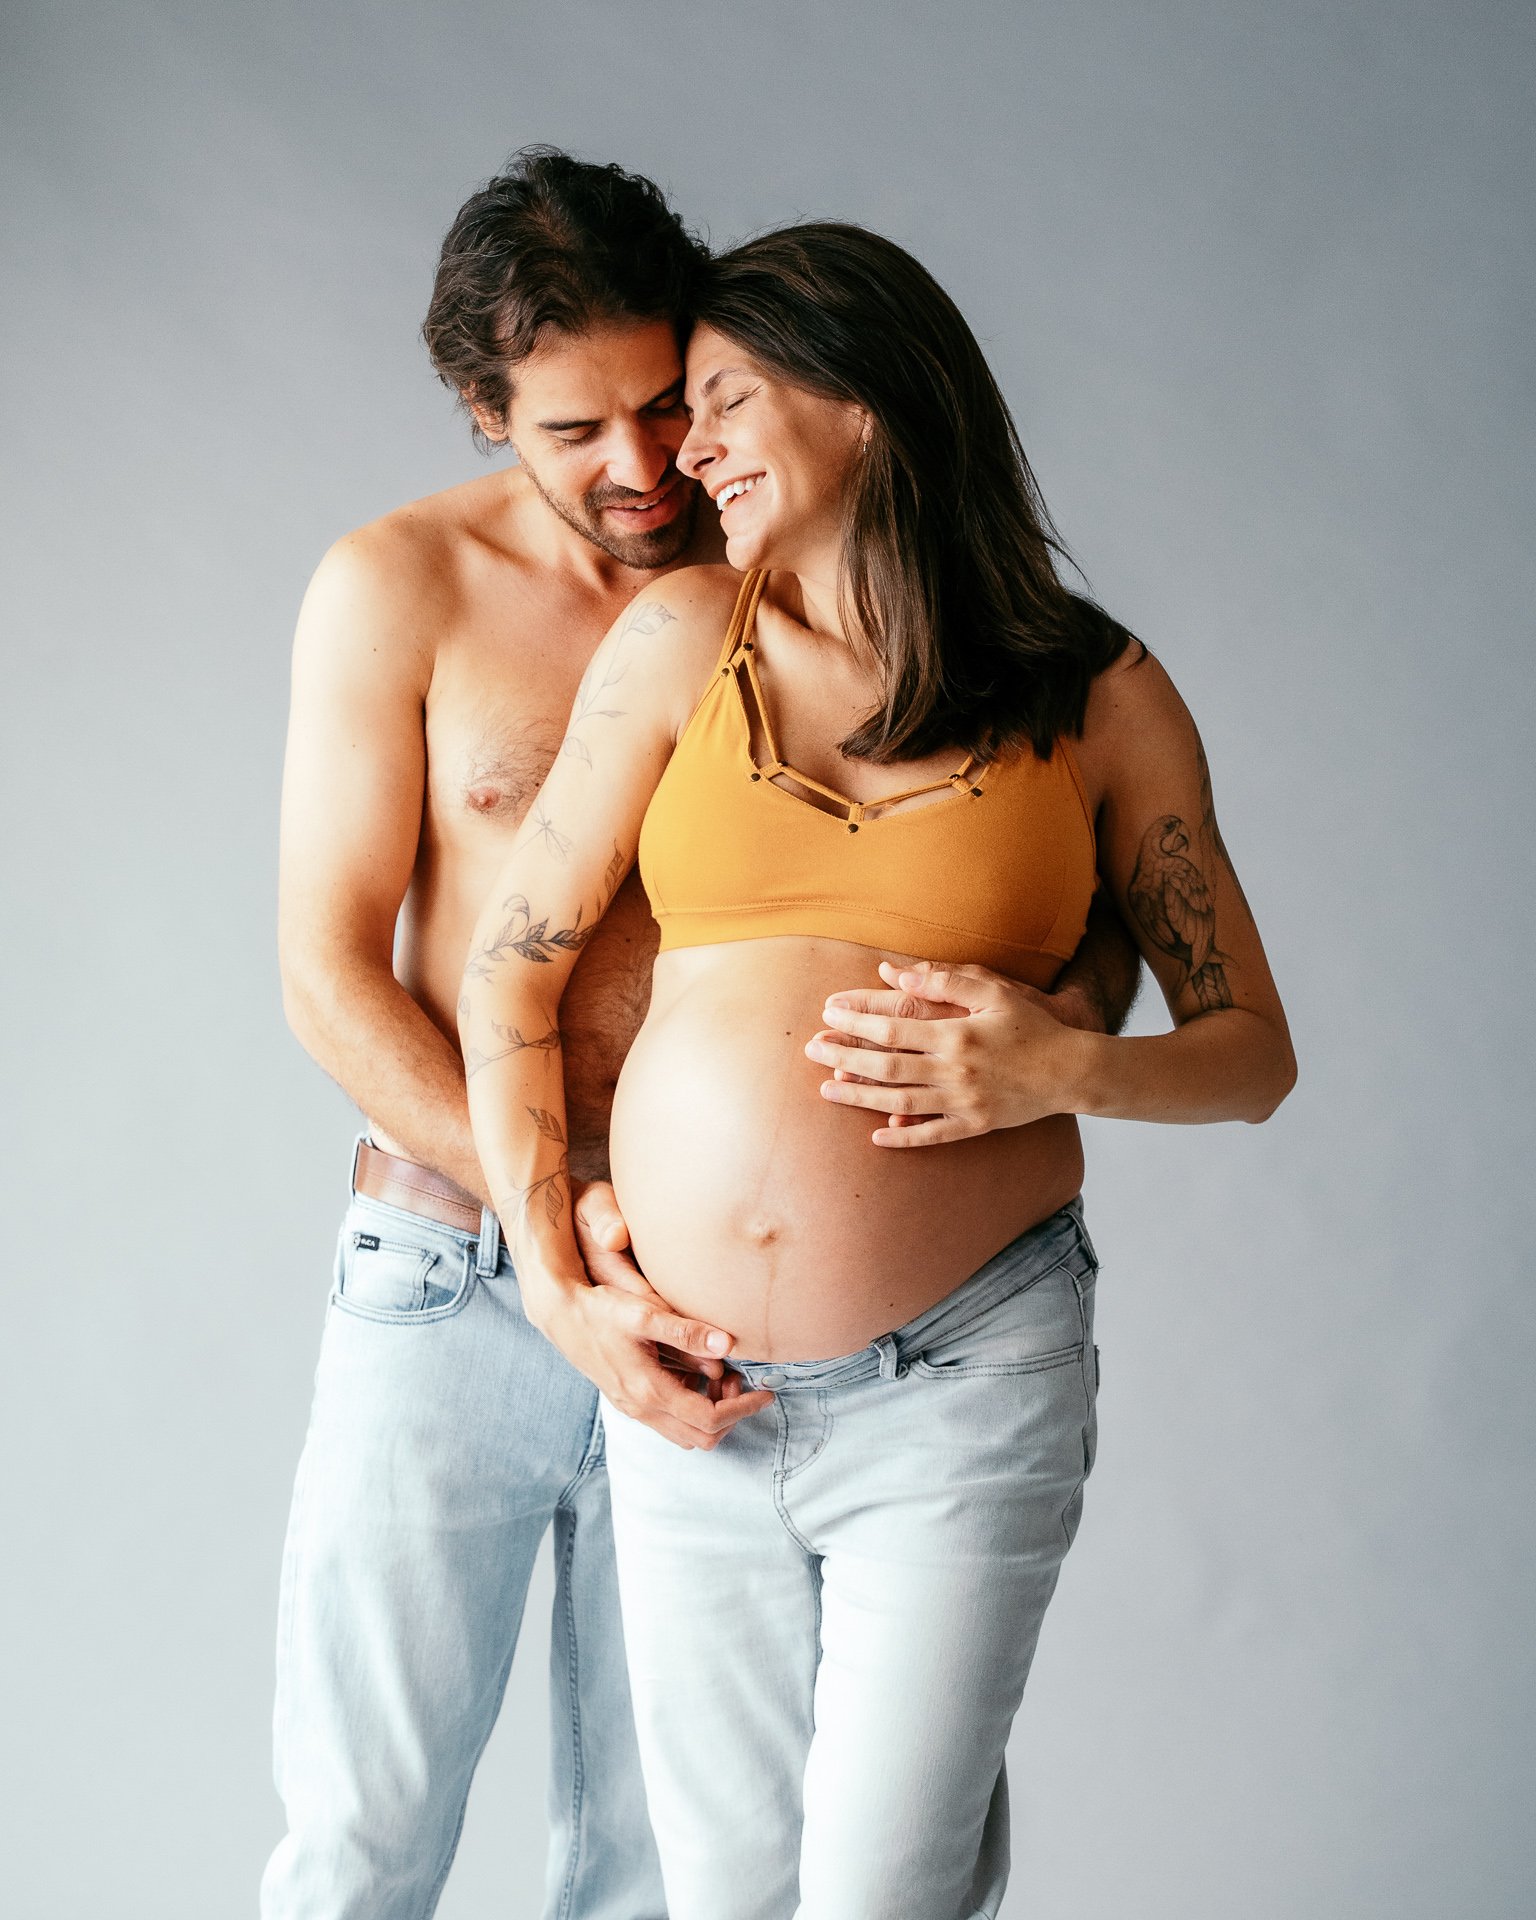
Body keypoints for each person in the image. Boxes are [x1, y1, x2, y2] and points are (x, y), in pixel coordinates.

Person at [265, 152, 1139, 1919]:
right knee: (367, 1830)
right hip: (467, 1265)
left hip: (763, 1324)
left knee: (671, 1872)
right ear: (482, 410)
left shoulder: (800, 570)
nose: (644, 467)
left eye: (671, 405)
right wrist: (554, 1212)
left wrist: (1047, 1037)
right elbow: (329, 975)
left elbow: (1044, 870)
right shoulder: (400, 587)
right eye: (576, 429)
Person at [460, 222, 1296, 1920]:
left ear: (867, 404)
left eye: (724, 400)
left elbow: (1251, 1054)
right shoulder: (687, 637)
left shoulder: (1096, 694)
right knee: (723, 1894)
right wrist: (560, 1290)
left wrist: (1062, 1064)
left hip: (965, 1380)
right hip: (693, 1401)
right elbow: (511, 973)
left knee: (879, 1896)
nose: (684, 450)